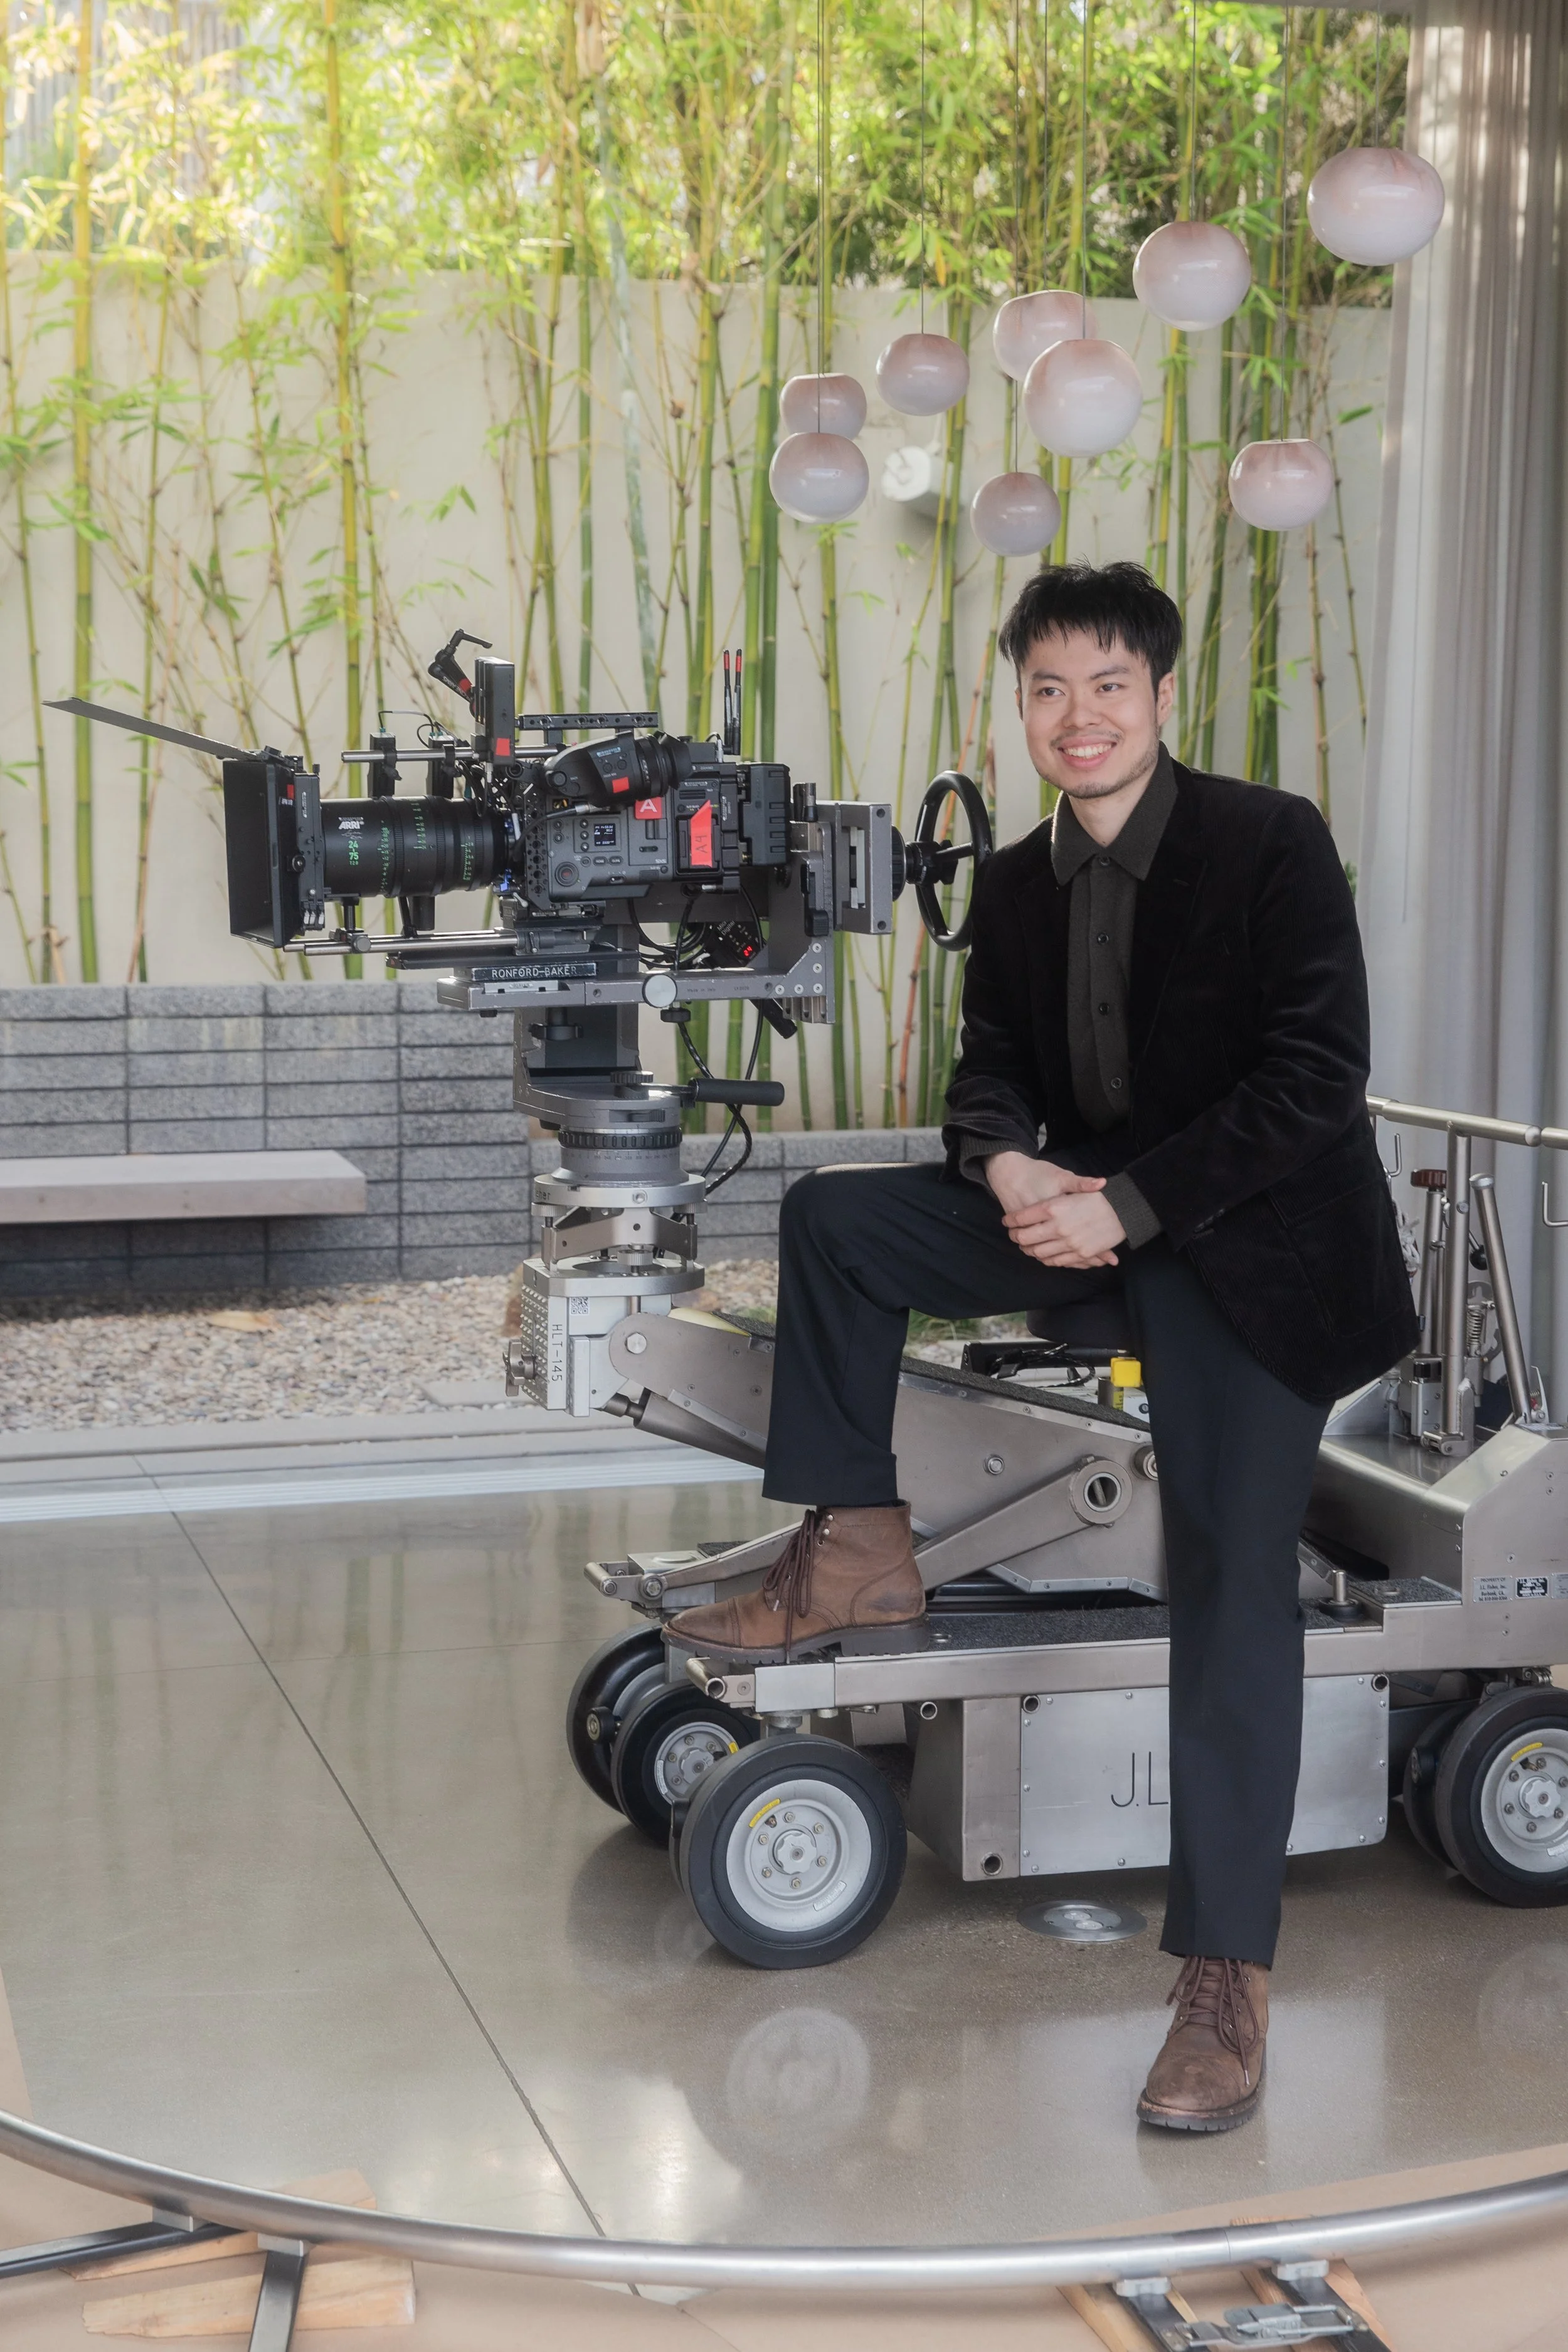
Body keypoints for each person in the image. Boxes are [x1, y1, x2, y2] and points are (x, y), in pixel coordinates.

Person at [667, 561, 1416, 2132]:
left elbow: (1312, 1082)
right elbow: (990, 1070)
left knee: (1228, 1579)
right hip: (1080, 1219)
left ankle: (1223, 1980)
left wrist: (1124, 1208)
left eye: (1106, 687)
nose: (1077, 718)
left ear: (1159, 696)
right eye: (1045, 690)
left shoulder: (1267, 841)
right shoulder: (1014, 885)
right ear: (1019, 708)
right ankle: (857, 1550)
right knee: (838, 1221)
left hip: (1252, 1253)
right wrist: (1009, 1167)